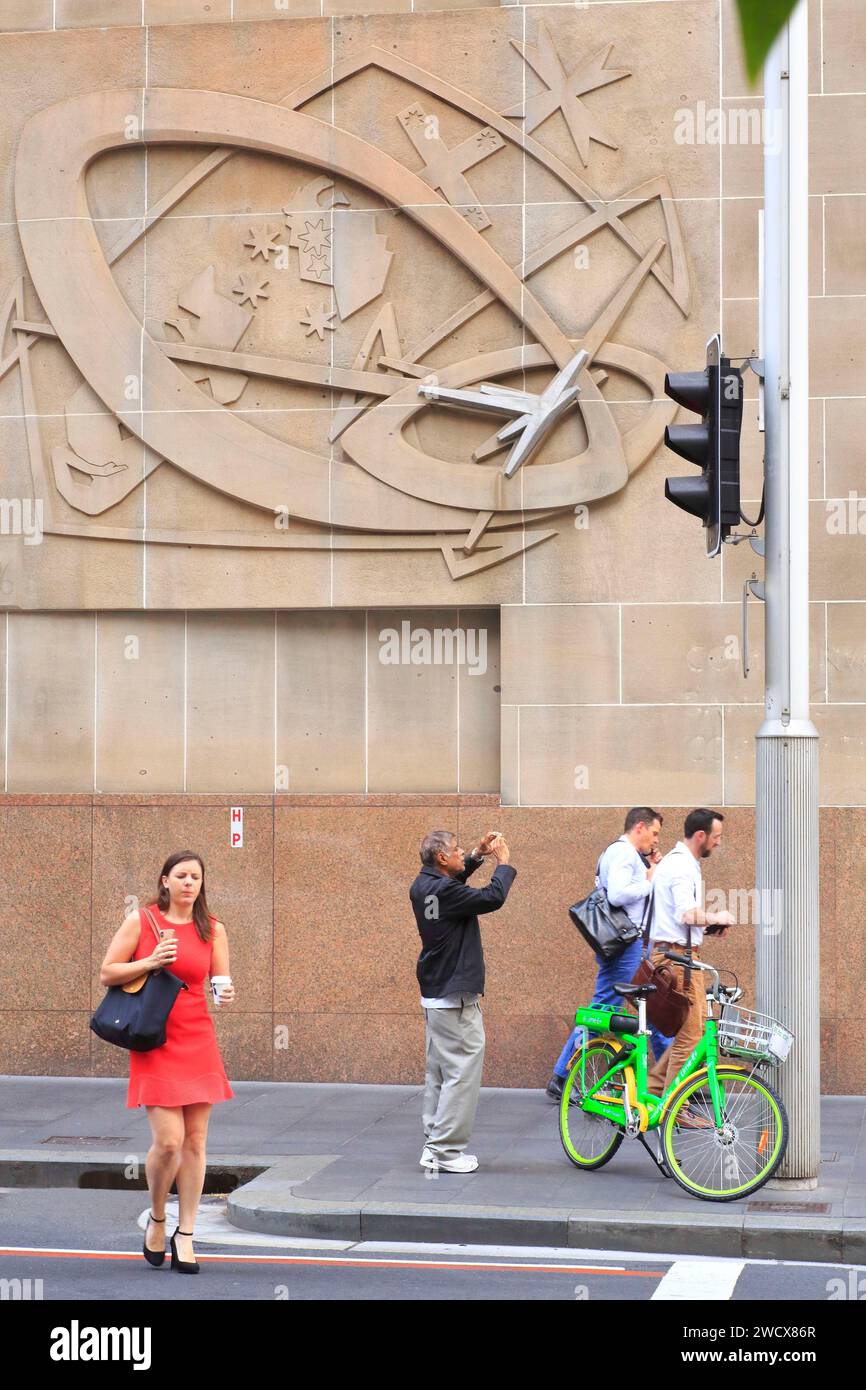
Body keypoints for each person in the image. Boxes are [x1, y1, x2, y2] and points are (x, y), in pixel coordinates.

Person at [98, 850, 235, 1274]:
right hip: (154, 1038)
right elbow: (108, 971)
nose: (189, 883)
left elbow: (219, 982)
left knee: (195, 1142)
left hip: (198, 1039)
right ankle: (158, 1217)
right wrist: (151, 960)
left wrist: (224, 993)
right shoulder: (143, 921)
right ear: (165, 881)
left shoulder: (213, 928)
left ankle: (187, 1233)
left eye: (196, 876)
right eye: (181, 876)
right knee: (170, 1141)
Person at [546, 807, 671, 1101]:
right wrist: (650, 880)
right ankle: (562, 1075)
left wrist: (649, 869)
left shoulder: (628, 855)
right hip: (625, 946)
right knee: (607, 1011)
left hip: (631, 944)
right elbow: (617, 894)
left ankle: (674, 1078)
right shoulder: (622, 853)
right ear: (639, 827)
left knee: (648, 1011)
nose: (655, 840)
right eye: (654, 833)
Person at [410, 829, 516, 1174]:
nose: (460, 855)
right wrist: (503, 862)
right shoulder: (444, 889)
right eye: (456, 851)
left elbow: (454, 885)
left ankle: (433, 1145)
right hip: (454, 996)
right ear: (441, 858)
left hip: (436, 993)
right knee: (462, 1072)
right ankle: (446, 1151)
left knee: (439, 1073)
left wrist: (476, 855)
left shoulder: (423, 885)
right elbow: (491, 898)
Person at [646, 809, 735, 1105]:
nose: (718, 843)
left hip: (676, 955)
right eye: (716, 837)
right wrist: (717, 914)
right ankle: (672, 1107)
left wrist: (708, 927)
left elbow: (679, 918)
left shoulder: (681, 862)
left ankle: (655, 1092)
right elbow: (686, 913)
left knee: (689, 1034)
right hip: (678, 962)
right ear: (701, 836)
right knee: (692, 1036)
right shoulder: (682, 865)